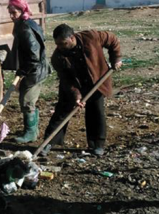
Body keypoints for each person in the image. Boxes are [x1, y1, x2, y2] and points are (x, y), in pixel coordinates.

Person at [44, 24, 122, 156]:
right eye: (57, 44)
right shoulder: (57, 57)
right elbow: (66, 80)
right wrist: (76, 95)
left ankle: (97, 145)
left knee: (96, 111)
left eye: (63, 43)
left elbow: (112, 39)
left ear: (72, 38)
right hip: (74, 83)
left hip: (96, 80)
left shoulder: (91, 37)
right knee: (62, 112)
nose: (60, 47)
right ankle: (49, 143)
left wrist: (116, 58)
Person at [4, 0, 49, 143]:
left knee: (27, 101)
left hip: (35, 71)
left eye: (14, 12)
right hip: (34, 69)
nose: (11, 16)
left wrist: (22, 71)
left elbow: (33, 55)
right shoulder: (26, 23)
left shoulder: (25, 28)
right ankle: (33, 130)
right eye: (10, 12)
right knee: (28, 100)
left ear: (22, 10)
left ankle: (30, 133)